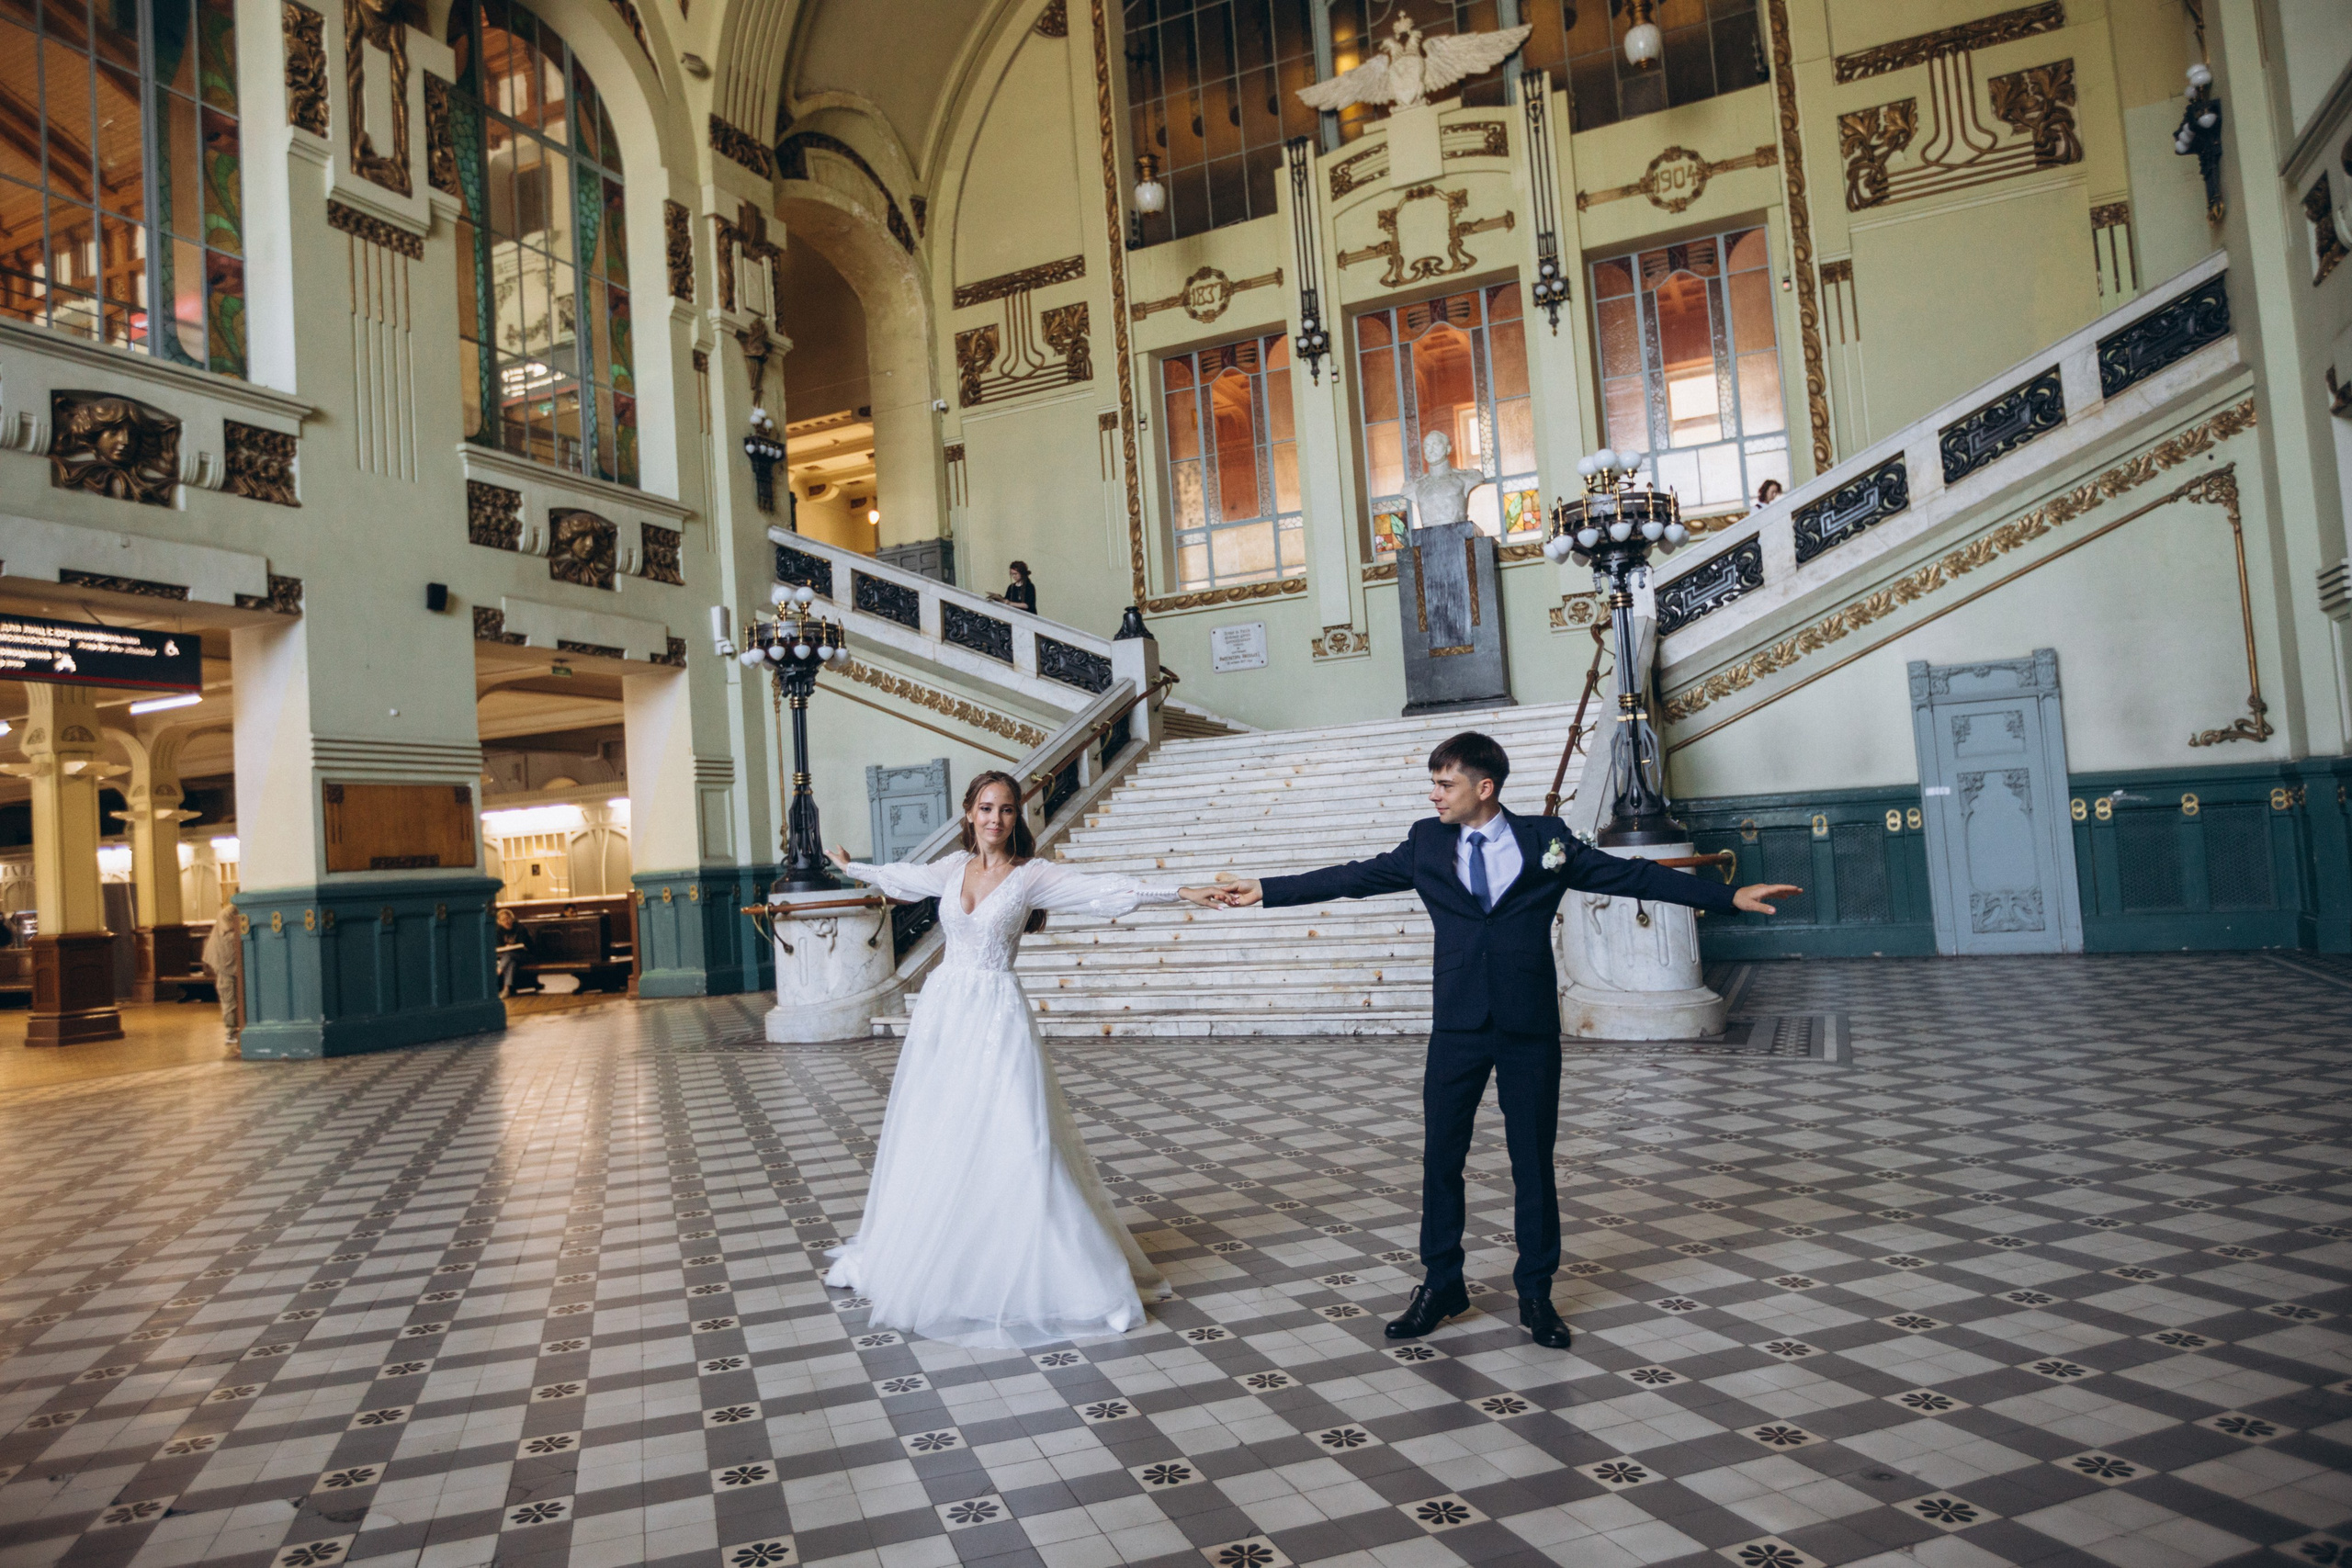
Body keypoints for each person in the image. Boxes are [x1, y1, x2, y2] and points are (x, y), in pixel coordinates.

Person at [1204, 732, 1801, 1350]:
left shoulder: (1547, 840)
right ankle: (1441, 1284)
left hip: (1527, 1025)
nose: (1434, 794)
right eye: (1433, 783)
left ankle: (1536, 1293)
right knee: (1442, 1158)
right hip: (1457, 1026)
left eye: (1445, 783)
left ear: (1484, 787)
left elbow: (1630, 875)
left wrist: (1727, 896)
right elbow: (1351, 877)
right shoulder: (1426, 842)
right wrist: (1265, 888)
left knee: (1532, 1161)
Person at [824, 772, 1225, 1347]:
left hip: (997, 1016)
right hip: (944, 1015)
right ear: (969, 813)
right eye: (987, 808)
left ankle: (1067, 1277)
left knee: (1018, 1135)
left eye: (1007, 809)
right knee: (939, 1132)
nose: (996, 819)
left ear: (1017, 817)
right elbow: (903, 879)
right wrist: (854, 868)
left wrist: (1180, 892)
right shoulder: (951, 869)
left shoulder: (1030, 875)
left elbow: (1102, 890)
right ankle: (944, 1256)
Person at [200, 902, 244, 1052]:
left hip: (230, 964)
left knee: (234, 996)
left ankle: (236, 1028)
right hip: (224, 964)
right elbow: (229, 934)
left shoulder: (235, 912)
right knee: (229, 997)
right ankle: (231, 1031)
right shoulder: (228, 914)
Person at [494, 907, 537, 997]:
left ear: (512, 918)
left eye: (508, 919)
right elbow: (499, 946)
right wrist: (506, 947)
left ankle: (498, 972)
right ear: (499, 922)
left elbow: (522, 945)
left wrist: (511, 947)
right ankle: (506, 989)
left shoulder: (520, 928)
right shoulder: (499, 931)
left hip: (526, 955)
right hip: (509, 958)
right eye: (503, 920)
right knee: (511, 963)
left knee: (509, 955)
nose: (506, 922)